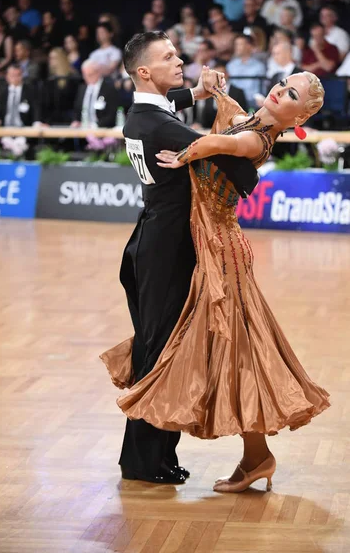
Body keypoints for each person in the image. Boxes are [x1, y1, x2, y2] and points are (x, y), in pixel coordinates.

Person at [101, 68, 330, 493]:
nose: (280, 91)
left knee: (237, 348)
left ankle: (256, 456)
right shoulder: (250, 120)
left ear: (299, 120)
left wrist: (185, 154)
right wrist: (211, 91)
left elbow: (216, 142)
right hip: (207, 241)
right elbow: (226, 115)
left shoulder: (255, 138)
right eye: (283, 83)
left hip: (222, 250)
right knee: (232, 348)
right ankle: (256, 457)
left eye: (292, 95)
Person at [99, 31, 259, 486]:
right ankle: (145, 462)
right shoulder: (163, 129)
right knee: (162, 354)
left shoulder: (140, 116)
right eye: (168, 56)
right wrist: (254, 138)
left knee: (158, 347)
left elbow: (170, 107)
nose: (180, 58)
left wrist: (202, 91)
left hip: (150, 242)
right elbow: (241, 169)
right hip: (170, 250)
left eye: (177, 52)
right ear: (144, 71)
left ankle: (148, 458)